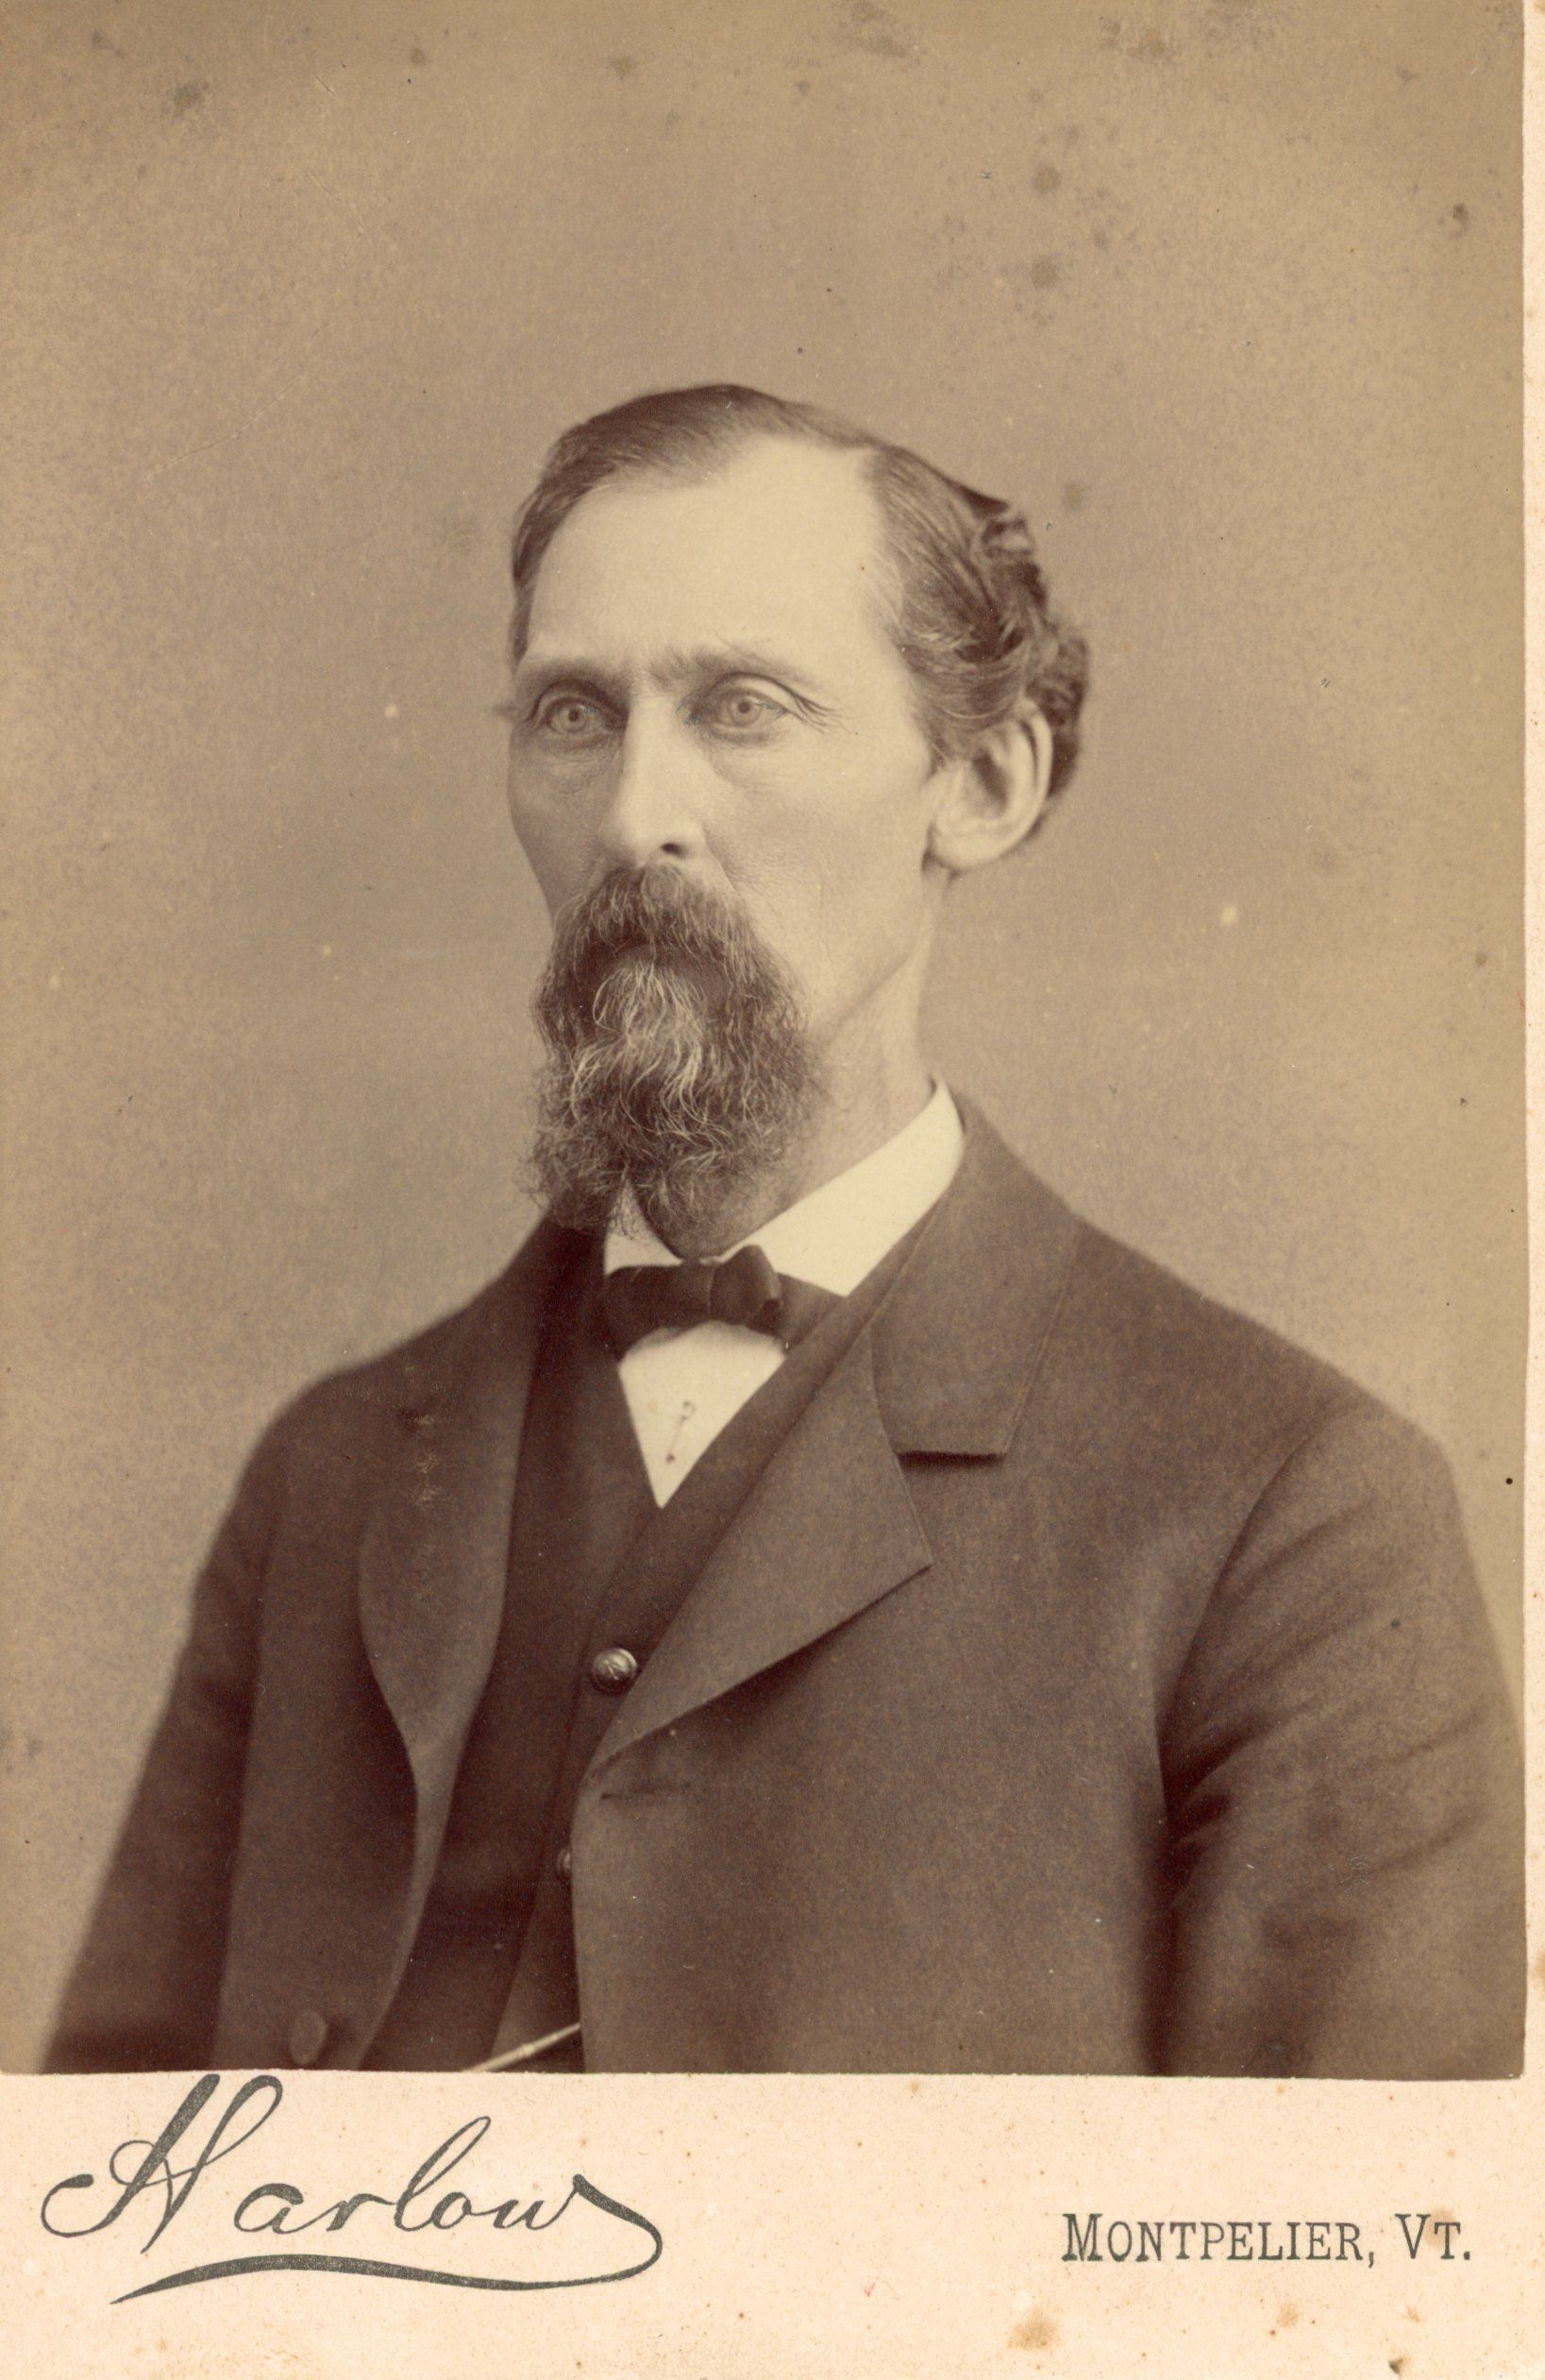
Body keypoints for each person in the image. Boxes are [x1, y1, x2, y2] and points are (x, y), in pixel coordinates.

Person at [46, 384, 1522, 2078]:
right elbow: (99, 2191)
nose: (632, 818)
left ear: (981, 782)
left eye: (740, 709)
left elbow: (1341, 2238)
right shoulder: (332, 1474)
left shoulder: (1291, 1510)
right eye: (572, 714)